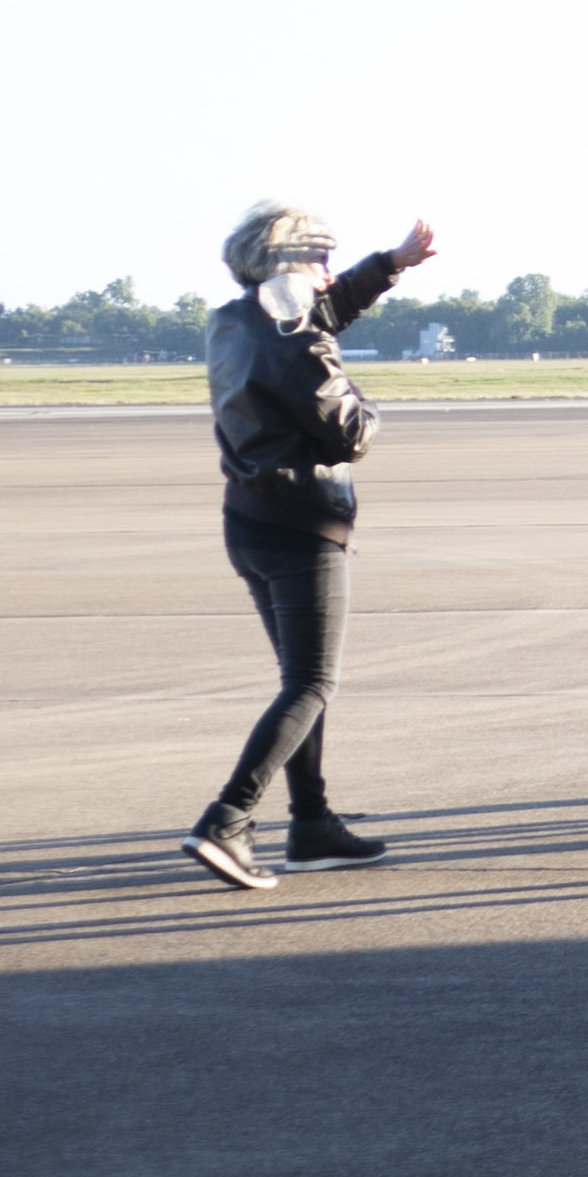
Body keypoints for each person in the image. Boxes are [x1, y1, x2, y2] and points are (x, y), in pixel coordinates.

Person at [179, 201, 437, 893]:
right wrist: (372, 405)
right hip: (303, 528)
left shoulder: (236, 321)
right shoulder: (296, 341)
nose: (328, 270)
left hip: (250, 522)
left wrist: (388, 266)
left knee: (301, 683)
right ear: (287, 266)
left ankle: (313, 826)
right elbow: (349, 431)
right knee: (312, 684)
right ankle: (227, 821)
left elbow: (321, 312)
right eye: (317, 259)